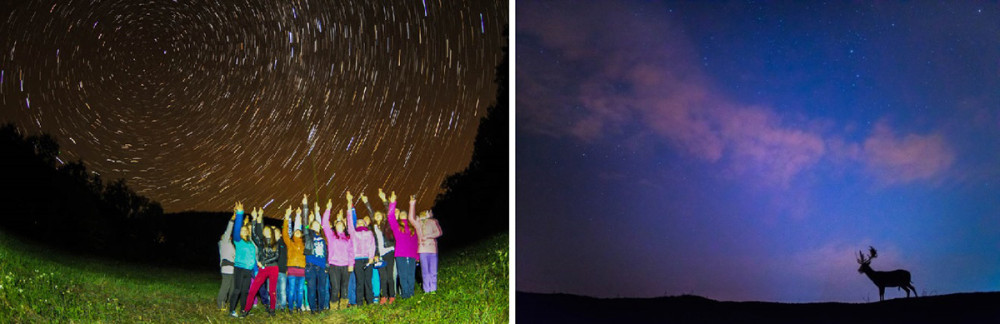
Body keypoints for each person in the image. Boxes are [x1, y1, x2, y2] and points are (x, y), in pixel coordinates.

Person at [382, 190, 419, 299]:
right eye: (401, 213)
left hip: (411, 255)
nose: (403, 213)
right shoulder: (397, 227)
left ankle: (411, 293)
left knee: (410, 275)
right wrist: (392, 203)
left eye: (405, 213)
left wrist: (417, 256)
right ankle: (405, 294)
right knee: (402, 275)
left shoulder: (413, 228)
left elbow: (416, 243)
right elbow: (391, 217)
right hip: (400, 254)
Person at [244, 208, 279, 316]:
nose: (266, 232)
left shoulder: (275, 243)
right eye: (265, 231)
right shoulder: (261, 243)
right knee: (253, 289)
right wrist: (254, 219)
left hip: (273, 268)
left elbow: (276, 256)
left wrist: (264, 263)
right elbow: (254, 234)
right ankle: (246, 310)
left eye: (268, 231)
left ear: (271, 232)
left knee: (272, 290)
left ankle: (272, 310)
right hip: (263, 269)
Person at [363, 193, 397, 304]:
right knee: (383, 276)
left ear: (382, 216)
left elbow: (389, 212)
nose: (376, 216)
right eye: (375, 215)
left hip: (389, 251)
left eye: (379, 215)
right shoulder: (373, 228)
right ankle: (384, 296)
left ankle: (392, 295)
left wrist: (384, 200)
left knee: (390, 276)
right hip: (380, 254)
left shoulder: (386, 224)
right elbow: (371, 213)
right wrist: (366, 202)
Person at [347, 191, 377, 305]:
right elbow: (350, 222)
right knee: (360, 282)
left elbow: (372, 245)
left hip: (368, 260)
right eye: (358, 222)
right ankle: (359, 302)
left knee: (368, 281)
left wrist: (371, 257)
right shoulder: (353, 233)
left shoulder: (369, 233)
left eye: (361, 222)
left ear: (365, 224)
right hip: (358, 259)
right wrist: (349, 206)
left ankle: (369, 301)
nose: (359, 223)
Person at [322, 200, 353, 309]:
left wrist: (351, 264)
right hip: (334, 265)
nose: (339, 224)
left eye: (341, 223)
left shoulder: (348, 238)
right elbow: (325, 223)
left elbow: (351, 252)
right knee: (335, 287)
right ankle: (334, 307)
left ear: (344, 227)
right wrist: (328, 209)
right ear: (335, 226)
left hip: (345, 265)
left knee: (344, 287)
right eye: (337, 223)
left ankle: (343, 306)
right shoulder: (331, 236)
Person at [228, 202, 257, 317]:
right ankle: (232, 310)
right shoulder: (237, 241)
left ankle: (244, 310)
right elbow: (236, 228)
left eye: (246, 230)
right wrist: (240, 213)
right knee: (237, 290)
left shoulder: (250, 243)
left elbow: (253, 257)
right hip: (239, 268)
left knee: (246, 291)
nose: (244, 231)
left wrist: (255, 270)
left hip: (248, 270)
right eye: (242, 230)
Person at [304, 202, 330, 314]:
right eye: (313, 225)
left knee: (322, 289)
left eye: (317, 224)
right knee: (311, 289)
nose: (316, 226)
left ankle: (321, 308)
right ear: (311, 226)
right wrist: (306, 206)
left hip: (322, 266)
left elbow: (327, 252)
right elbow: (305, 225)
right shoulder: (308, 236)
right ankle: (313, 309)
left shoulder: (324, 238)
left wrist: (327, 266)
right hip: (311, 266)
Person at [412, 205, 443, 294]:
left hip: (432, 249)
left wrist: (428, 236)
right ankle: (426, 289)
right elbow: (411, 218)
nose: (430, 213)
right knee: (425, 271)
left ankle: (433, 288)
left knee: (433, 269)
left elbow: (439, 232)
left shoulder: (433, 222)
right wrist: (413, 204)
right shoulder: (418, 223)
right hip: (422, 250)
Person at [282, 205, 307, 313]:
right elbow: (285, 234)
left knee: (300, 291)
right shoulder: (290, 243)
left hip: (302, 269)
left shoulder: (305, 244)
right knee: (291, 290)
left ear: (301, 234)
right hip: (292, 268)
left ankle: (299, 307)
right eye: (295, 231)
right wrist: (287, 217)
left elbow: (306, 227)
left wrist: (300, 216)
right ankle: (291, 308)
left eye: (299, 231)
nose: (297, 231)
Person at [217, 213, 236, 310]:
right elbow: (228, 230)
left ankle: (229, 303)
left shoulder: (231, 245)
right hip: (227, 268)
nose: (227, 236)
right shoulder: (223, 242)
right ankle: (220, 304)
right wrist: (232, 219)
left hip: (234, 269)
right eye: (224, 235)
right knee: (225, 287)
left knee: (233, 289)